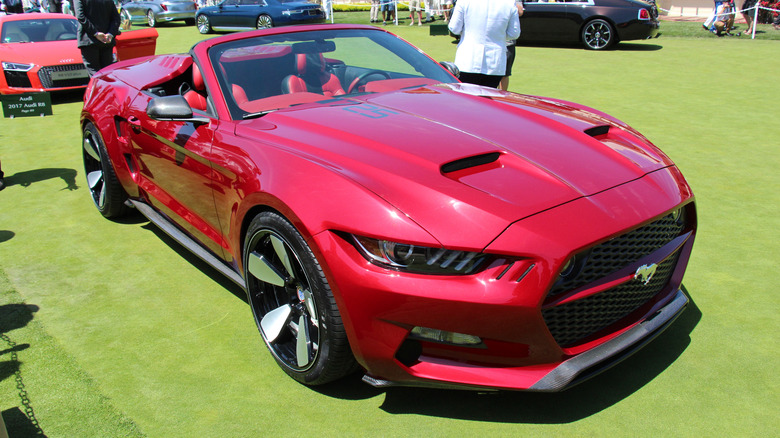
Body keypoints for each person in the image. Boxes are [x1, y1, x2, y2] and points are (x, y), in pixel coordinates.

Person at [448, 0, 521, 88]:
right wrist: (498, 36)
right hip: (494, 62)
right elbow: (514, 33)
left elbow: (454, 28)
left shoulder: (464, 1)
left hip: (468, 61)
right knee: (488, 95)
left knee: (466, 95)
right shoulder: (509, 3)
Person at [74, 0, 121, 77]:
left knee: (94, 72)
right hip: (106, 40)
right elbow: (116, 18)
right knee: (107, 71)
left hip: (89, 40)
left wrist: (95, 33)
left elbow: (80, 16)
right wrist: (110, 33)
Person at [499, 0, 523, 91]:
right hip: (491, 41)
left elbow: (520, 11)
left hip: (508, 43)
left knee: (505, 74)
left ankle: (501, 97)